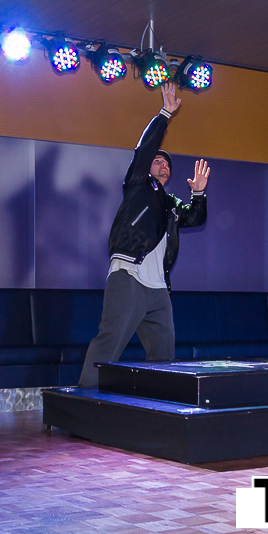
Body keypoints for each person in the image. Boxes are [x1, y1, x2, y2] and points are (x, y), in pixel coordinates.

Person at [78, 83, 209, 387]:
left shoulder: (170, 203)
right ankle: (84, 399)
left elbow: (194, 217)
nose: (163, 164)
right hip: (129, 274)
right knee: (110, 342)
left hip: (158, 288)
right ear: (147, 167)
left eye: (167, 163)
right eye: (157, 160)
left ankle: (157, 402)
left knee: (164, 353)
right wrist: (165, 114)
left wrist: (199, 194)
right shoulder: (138, 184)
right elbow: (145, 148)